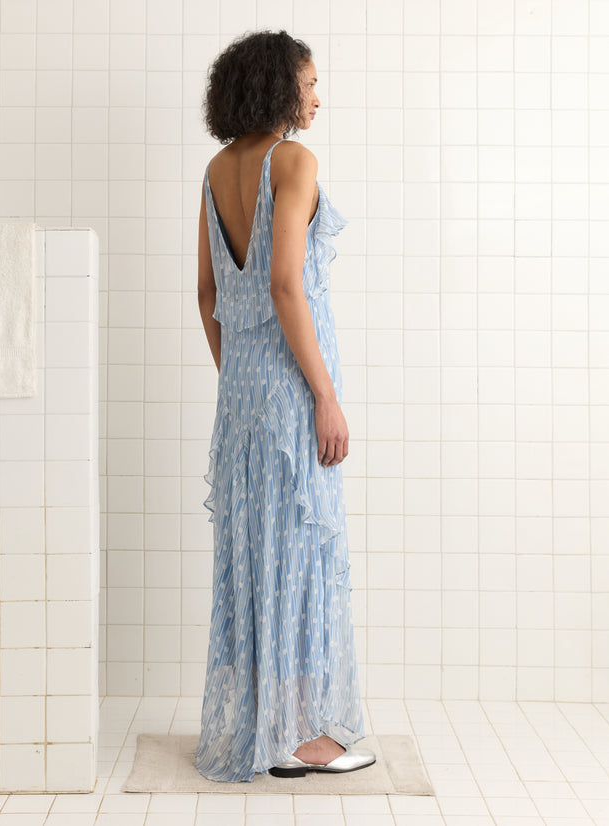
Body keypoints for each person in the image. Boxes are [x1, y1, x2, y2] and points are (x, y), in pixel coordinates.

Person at [195, 29, 375, 783]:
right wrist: (324, 396)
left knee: (252, 562)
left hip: (239, 399)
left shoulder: (215, 168)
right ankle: (303, 739)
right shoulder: (293, 162)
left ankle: (266, 727)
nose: (316, 96)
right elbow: (284, 285)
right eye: (308, 82)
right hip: (293, 392)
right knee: (299, 556)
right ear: (278, 87)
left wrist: (240, 377)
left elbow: (208, 295)